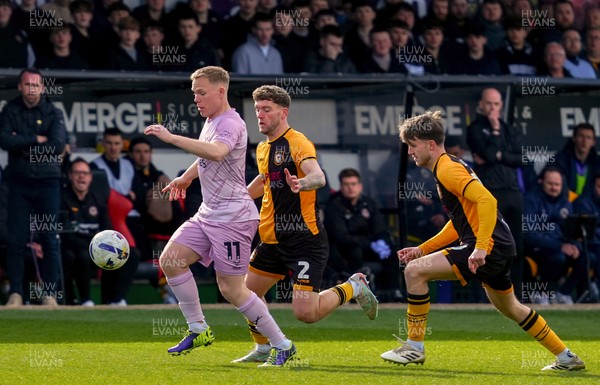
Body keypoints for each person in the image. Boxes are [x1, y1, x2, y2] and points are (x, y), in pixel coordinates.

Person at [380, 110, 585, 371]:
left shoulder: (447, 169)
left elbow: (488, 200)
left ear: (430, 145)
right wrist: (423, 248)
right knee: (511, 307)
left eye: (412, 144)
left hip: (488, 246)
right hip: (497, 246)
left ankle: (414, 347)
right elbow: (460, 222)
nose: (409, 151)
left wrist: (480, 247)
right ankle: (567, 357)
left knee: (414, 272)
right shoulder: (447, 167)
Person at [144, 66, 296, 367]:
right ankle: (199, 329)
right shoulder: (212, 120)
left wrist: (171, 138)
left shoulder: (231, 123)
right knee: (170, 260)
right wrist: (187, 177)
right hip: (209, 213)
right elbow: (207, 158)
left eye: (201, 93)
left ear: (220, 91)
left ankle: (283, 345)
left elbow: (216, 152)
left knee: (233, 289)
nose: (196, 99)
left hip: (233, 219)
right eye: (194, 93)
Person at [233, 85, 378, 363]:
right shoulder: (263, 147)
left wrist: (302, 183)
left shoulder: (298, 142)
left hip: (303, 241)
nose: (260, 116)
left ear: (283, 112)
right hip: (271, 240)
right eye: (257, 110)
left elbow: (318, 176)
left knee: (305, 314)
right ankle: (263, 347)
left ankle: (353, 287)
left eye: (266, 110)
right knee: (246, 293)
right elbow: (265, 181)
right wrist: (236, 198)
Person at [0, 68, 66, 306]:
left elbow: (57, 145)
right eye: (27, 85)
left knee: (49, 239)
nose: (32, 89)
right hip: (18, 183)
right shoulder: (10, 110)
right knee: (15, 240)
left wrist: (22, 140)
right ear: (20, 87)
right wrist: (36, 138)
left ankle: (50, 295)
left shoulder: (53, 112)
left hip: (47, 184)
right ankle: (15, 293)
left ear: (42, 87)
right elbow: (5, 140)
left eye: (36, 85)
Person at [466, 87, 524, 296]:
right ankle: (483, 294)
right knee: (487, 244)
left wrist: (498, 153)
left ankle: (515, 293)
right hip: (489, 195)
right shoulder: (475, 128)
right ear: (481, 105)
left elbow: (521, 159)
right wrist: (495, 131)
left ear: (501, 105)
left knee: (515, 245)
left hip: (513, 193)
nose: (493, 108)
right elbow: (489, 155)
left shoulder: (510, 129)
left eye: (496, 104)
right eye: (489, 103)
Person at [325, 168, 401, 301]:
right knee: (355, 251)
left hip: (368, 247)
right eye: (346, 184)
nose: (350, 188)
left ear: (360, 186)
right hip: (344, 250)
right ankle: (357, 291)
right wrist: (370, 244)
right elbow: (341, 237)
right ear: (341, 187)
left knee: (392, 252)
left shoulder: (368, 203)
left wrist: (383, 242)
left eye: (353, 184)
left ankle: (392, 292)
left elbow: (379, 229)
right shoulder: (334, 206)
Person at [523, 166, 590, 304]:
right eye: (550, 184)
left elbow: (571, 231)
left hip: (559, 246)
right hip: (536, 248)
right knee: (558, 258)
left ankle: (563, 293)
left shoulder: (565, 202)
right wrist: (560, 246)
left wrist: (574, 246)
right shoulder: (530, 199)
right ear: (541, 182)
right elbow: (529, 234)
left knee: (586, 257)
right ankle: (540, 293)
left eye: (557, 184)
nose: (554, 188)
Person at [91, 127, 141, 305]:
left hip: (130, 219)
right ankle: (111, 300)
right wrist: (126, 197)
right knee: (112, 257)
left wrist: (128, 198)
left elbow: (137, 194)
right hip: (106, 222)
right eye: (109, 143)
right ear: (103, 144)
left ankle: (117, 298)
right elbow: (100, 198)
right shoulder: (94, 166)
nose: (113, 147)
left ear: (122, 145)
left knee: (132, 255)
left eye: (117, 143)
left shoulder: (129, 165)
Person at [60, 158, 111, 306]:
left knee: (131, 254)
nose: (81, 176)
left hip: (97, 247)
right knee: (80, 256)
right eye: (77, 173)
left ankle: (114, 300)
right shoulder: (61, 197)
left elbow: (107, 229)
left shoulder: (98, 199)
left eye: (85, 173)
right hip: (73, 246)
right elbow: (65, 234)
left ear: (90, 177)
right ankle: (85, 299)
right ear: (70, 176)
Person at [554, 122, 600, 199]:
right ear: (574, 138)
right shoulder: (560, 159)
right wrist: (577, 200)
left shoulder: (597, 162)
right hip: (566, 203)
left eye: (588, 138)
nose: (584, 141)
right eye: (581, 136)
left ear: (593, 142)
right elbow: (556, 187)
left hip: (590, 207)